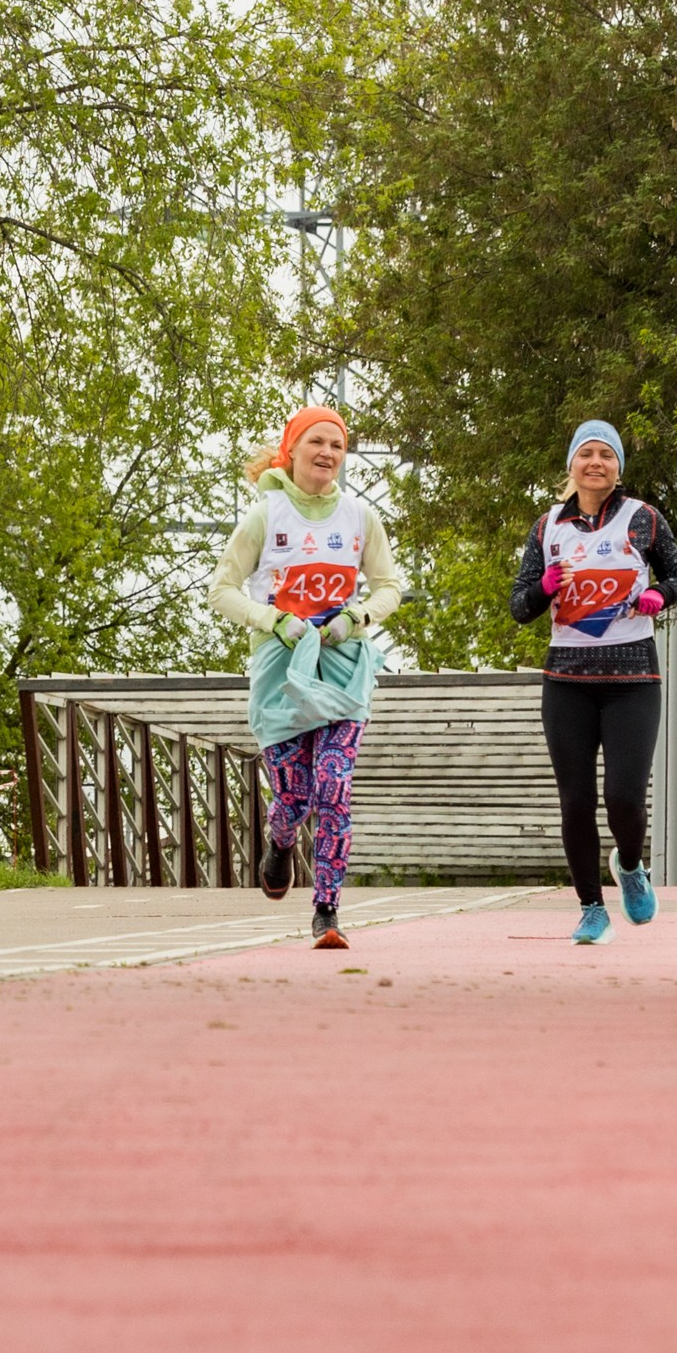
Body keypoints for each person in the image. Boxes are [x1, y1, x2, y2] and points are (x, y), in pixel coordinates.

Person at [207, 405, 404, 947]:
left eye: (337, 446)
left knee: (334, 787)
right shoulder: (264, 516)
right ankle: (280, 840)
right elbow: (220, 590)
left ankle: (328, 911)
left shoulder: (360, 518)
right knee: (294, 797)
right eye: (316, 442)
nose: (327, 454)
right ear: (291, 450)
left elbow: (389, 586)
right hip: (282, 673)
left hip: (343, 669)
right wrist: (273, 620)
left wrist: (356, 617)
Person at [509, 420, 677, 945]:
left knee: (625, 798)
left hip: (633, 678)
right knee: (576, 800)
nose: (596, 463)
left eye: (606, 455)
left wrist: (659, 595)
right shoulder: (547, 529)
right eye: (586, 454)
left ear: (618, 468)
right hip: (567, 680)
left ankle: (631, 867)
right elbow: (520, 607)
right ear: (572, 466)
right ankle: (591, 908)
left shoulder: (644, 520)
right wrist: (544, 588)